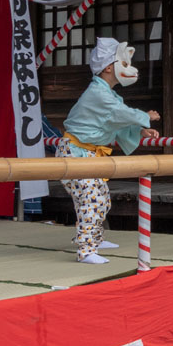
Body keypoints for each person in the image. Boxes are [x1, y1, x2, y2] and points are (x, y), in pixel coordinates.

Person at [57, 38, 159, 264]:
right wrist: (145, 117)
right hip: (75, 152)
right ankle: (85, 249)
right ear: (109, 67)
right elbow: (118, 113)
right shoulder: (98, 93)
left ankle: (95, 238)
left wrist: (140, 131)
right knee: (90, 199)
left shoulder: (109, 94)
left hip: (88, 154)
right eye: (123, 61)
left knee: (101, 199)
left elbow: (115, 120)